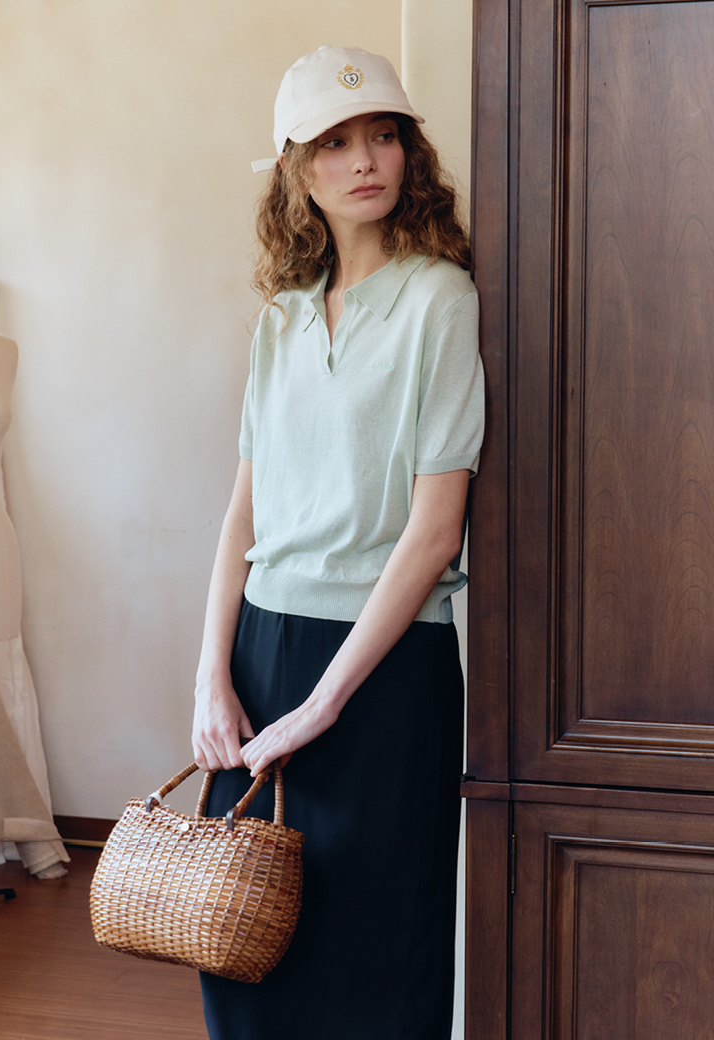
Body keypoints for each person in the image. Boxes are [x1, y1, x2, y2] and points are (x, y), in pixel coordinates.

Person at [191, 45, 484, 1040]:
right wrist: (210, 678)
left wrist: (322, 705)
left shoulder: (440, 300)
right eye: (334, 142)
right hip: (262, 651)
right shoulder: (278, 319)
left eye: (384, 135)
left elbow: (434, 529)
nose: (365, 160)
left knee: (377, 950)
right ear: (295, 168)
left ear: (409, 152)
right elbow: (242, 517)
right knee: (242, 945)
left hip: (384, 668)